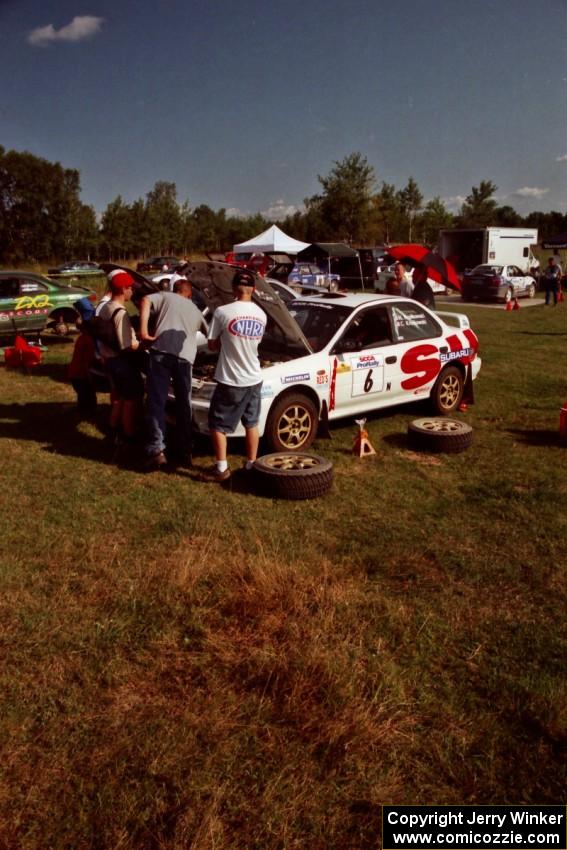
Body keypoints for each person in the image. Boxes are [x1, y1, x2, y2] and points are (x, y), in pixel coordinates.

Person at [138, 276, 207, 470]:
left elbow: (144, 300)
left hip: (160, 353)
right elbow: (211, 338)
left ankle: (157, 450)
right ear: (190, 294)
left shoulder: (164, 296)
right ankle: (184, 450)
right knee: (184, 404)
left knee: (156, 400)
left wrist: (143, 332)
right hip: (184, 359)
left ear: (174, 289)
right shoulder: (195, 309)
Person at [205, 269, 267, 481]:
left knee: (217, 425)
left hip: (231, 379)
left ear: (233, 289)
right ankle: (251, 465)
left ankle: (221, 468)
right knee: (251, 423)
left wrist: (226, 341)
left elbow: (212, 345)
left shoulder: (222, 312)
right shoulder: (262, 314)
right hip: (255, 377)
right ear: (254, 290)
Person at [97, 269, 144, 443]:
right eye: (130, 288)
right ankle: (128, 435)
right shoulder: (120, 313)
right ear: (123, 288)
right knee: (131, 398)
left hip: (109, 360)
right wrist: (146, 343)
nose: (132, 291)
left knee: (121, 397)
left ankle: (113, 430)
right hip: (122, 362)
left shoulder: (105, 307)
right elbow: (127, 345)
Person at [67, 297, 97, 419]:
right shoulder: (88, 341)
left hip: (74, 373)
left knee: (83, 395)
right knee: (89, 395)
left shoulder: (82, 338)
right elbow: (86, 362)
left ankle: (82, 411)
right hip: (81, 375)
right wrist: (89, 375)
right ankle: (89, 414)